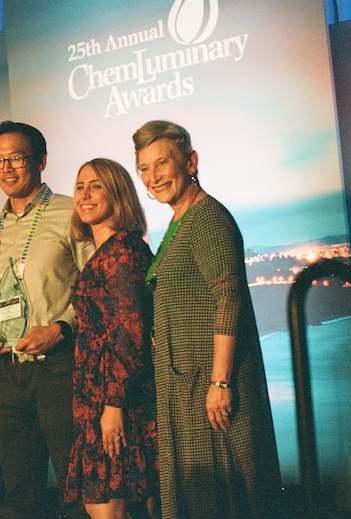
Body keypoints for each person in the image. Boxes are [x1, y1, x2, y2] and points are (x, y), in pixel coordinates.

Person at [132, 120, 281, 518]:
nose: (153, 176)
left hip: (207, 389)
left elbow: (228, 298)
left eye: (161, 163)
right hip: (185, 387)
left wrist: (220, 381)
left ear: (191, 161)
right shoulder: (178, 222)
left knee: (222, 500)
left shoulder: (208, 218)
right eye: (144, 168)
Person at [0, 120, 95, 519]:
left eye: (17, 158)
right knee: (20, 492)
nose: (6, 168)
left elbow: (97, 291)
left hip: (62, 367)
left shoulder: (71, 212)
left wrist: (62, 329)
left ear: (41, 161)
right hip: (9, 372)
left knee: (74, 484)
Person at [65, 159, 159, 519]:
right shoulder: (107, 251)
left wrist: (114, 405)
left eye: (96, 186)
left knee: (108, 506)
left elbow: (129, 332)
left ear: (117, 194)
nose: (85, 194)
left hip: (116, 401)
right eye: (79, 186)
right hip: (98, 398)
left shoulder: (122, 250)